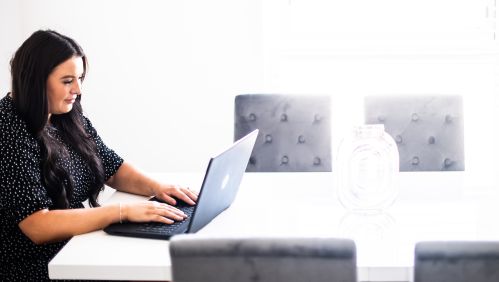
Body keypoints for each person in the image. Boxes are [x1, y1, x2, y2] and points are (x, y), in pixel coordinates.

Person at [0, 30, 198, 281]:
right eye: (67, 80)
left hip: (76, 250)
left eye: (80, 78)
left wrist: (159, 188)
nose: (78, 89)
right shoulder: (7, 128)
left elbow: (110, 166)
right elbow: (36, 225)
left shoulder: (65, 114)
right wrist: (121, 212)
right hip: (37, 268)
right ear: (35, 81)